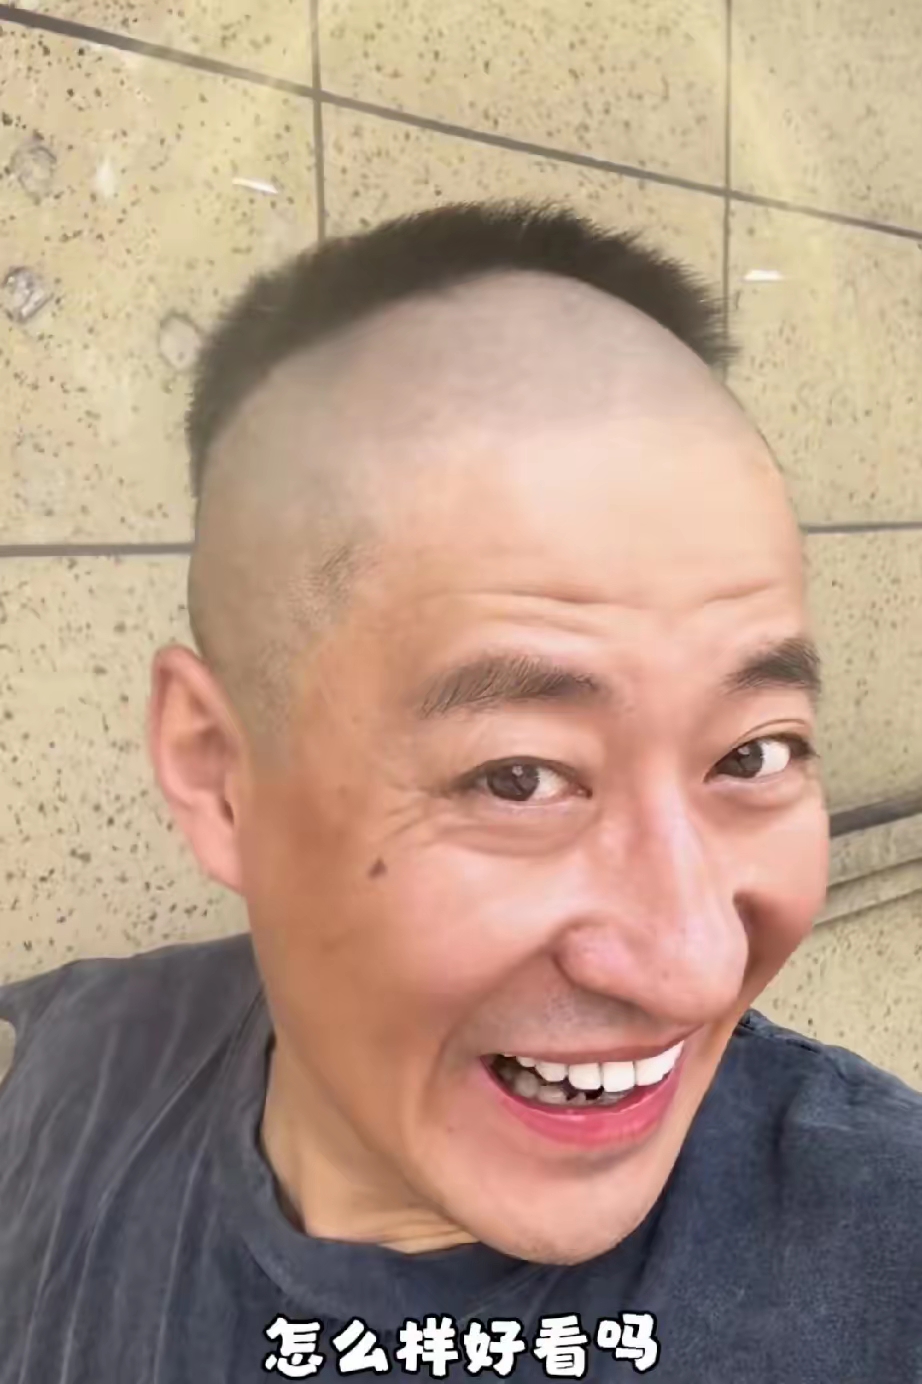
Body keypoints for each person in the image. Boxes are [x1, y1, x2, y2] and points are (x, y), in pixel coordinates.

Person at [1, 201, 920, 1384]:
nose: (696, 968)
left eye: (751, 755)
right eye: (519, 777)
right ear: (221, 776)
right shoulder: (56, 1087)